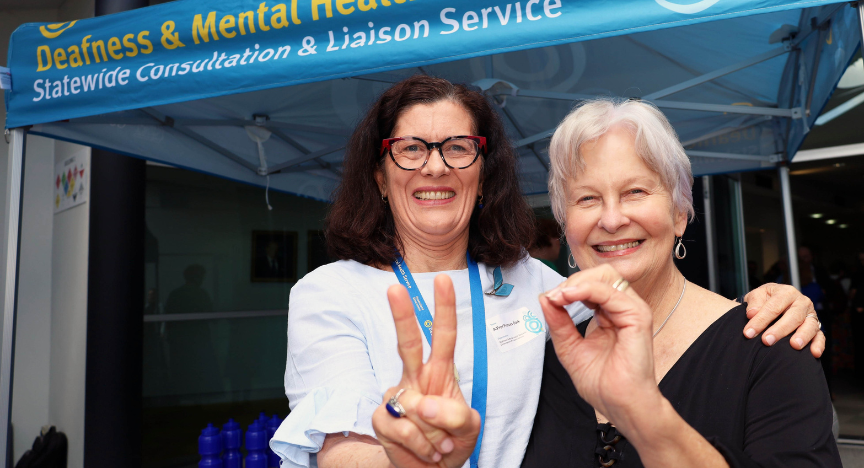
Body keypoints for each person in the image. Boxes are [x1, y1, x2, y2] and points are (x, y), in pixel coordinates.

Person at [270, 77, 824, 468]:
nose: (435, 165)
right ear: (379, 174)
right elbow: (342, 451)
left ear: (484, 176)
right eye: (410, 148)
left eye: (458, 148)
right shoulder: (330, 292)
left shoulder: (545, 291)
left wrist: (779, 300)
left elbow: (655, 306)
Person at [519, 99, 838, 466]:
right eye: (587, 198)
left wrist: (647, 415)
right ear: (566, 226)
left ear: (680, 214)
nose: (610, 219)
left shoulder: (770, 344)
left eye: (635, 192)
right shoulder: (544, 360)